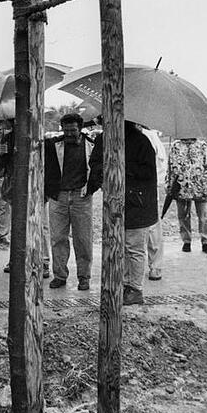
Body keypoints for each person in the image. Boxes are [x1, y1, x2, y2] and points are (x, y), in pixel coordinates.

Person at [89, 120, 158, 305]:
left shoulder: (141, 141)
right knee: (116, 245)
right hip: (112, 201)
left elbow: (149, 171)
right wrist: (101, 176)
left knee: (134, 248)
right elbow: (94, 163)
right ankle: (122, 283)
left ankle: (135, 288)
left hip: (137, 203)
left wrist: (121, 166)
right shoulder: (103, 139)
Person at [45, 113, 97, 291]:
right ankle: (59, 275)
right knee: (58, 238)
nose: (68, 134)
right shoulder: (53, 145)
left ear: (80, 128)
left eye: (72, 130)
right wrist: (50, 191)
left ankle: (84, 277)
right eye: (65, 130)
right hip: (58, 197)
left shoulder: (91, 145)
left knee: (83, 239)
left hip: (81, 197)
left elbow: (98, 169)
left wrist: (91, 188)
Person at [167, 138, 207, 255]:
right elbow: (170, 167)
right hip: (181, 185)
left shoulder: (203, 145)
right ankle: (186, 241)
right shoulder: (175, 145)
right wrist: (170, 185)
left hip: (200, 186)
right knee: (183, 215)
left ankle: (206, 242)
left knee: (203, 215)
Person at [141, 127, 167, 280]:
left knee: (152, 229)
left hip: (148, 188)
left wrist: (154, 184)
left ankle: (156, 266)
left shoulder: (150, 136)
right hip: (127, 189)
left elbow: (161, 164)